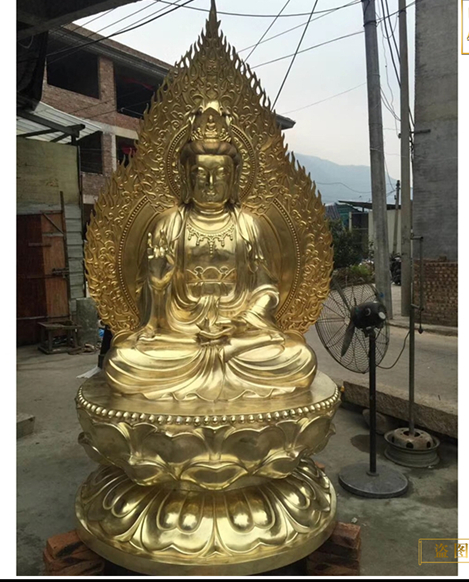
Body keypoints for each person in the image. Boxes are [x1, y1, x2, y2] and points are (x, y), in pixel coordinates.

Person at [104, 103, 316, 401]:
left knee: (299, 358)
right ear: (186, 178)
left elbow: (266, 290)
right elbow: (151, 319)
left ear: (234, 179)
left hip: (239, 338)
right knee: (122, 361)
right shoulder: (169, 225)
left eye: (220, 174)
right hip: (181, 337)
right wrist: (158, 285)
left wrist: (242, 321)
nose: (211, 183)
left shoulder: (248, 226)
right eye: (201, 173)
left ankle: (224, 363)